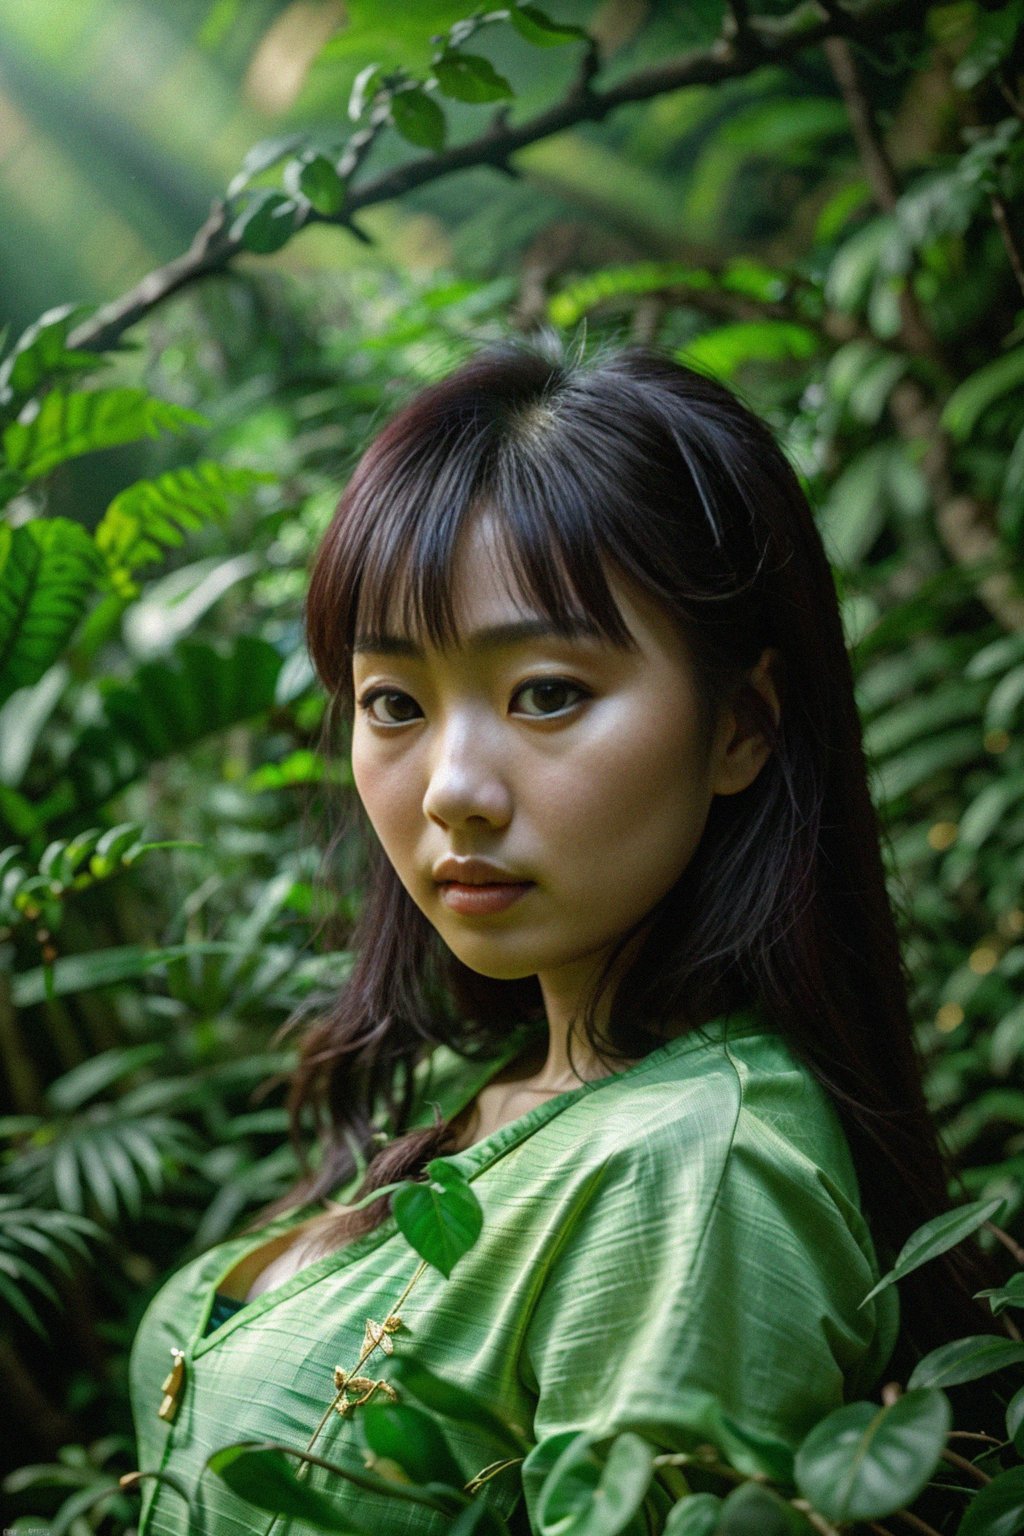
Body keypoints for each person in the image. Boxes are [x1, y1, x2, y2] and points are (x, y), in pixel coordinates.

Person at [128, 343, 976, 1535]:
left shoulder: (693, 1167)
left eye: (545, 692)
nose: (451, 789)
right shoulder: (498, 1093)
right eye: (394, 704)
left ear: (740, 726)